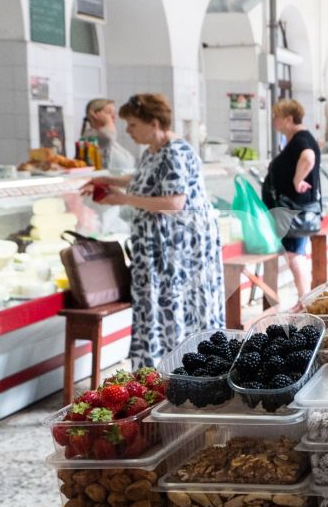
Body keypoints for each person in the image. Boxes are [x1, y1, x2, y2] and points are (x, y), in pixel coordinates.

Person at [89, 93, 224, 364]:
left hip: (178, 248)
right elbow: (147, 178)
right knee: (161, 306)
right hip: (158, 245)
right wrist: (114, 180)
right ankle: (158, 371)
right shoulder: (154, 149)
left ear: (154, 123)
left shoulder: (174, 151)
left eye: (133, 124)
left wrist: (124, 198)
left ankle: (181, 367)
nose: (127, 131)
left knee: (175, 305)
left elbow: (175, 203)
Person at [263, 99, 321, 297]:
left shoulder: (300, 139)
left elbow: (308, 157)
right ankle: (304, 299)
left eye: (276, 117)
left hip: (295, 209)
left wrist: (297, 180)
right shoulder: (297, 139)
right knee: (295, 254)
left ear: (288, 119)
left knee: (294, 255)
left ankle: (305, 299)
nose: (273, 121)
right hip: (294, 208)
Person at [78, 98, 136, 173]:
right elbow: (109, 137)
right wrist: (108, 122)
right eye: (109, 113)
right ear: (95, 114)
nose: (114, 117)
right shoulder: (91, 136)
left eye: (114, 113)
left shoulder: (100, 134)